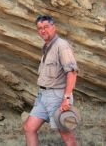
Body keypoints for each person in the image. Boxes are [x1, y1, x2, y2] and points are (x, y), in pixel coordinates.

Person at [22, 15, 79, 146]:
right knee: (29, 128)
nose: (43, 30)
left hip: (57, 97)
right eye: (40, 28)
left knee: (66, 134)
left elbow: (72, 73)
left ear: (54, 27)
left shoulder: (62, 46)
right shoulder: (47, 47)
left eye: (46, 27)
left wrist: (66, 98)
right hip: (43, 96)